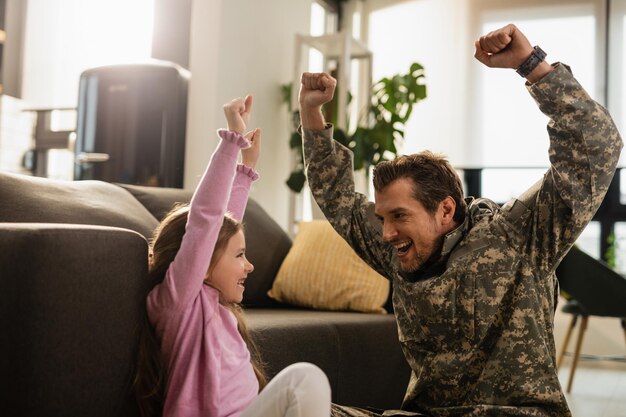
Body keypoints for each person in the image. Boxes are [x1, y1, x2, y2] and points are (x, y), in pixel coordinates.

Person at [299, 24, 623, 417]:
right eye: (383, 217)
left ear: (446, 210)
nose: (386, 232)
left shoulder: (517, 235)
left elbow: (595, 145)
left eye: (399, 216)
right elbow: (337, 199)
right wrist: (312, 111)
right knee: (296, 403)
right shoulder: (400, 252)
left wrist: (530, 64)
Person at [134, 95, 332, 417]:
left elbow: (226, 225)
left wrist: (245, 170)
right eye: (240, 255)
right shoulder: (179, 303)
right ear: (204, 261)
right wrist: (231, 142)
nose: (249, 265)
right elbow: (207, 220)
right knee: (304, 381)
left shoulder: (217, 308)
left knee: (306, 385)